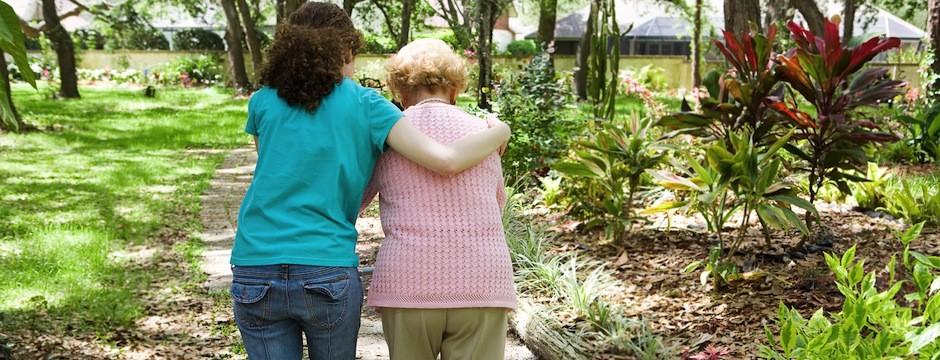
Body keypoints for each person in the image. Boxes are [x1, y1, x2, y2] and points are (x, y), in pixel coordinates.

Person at [228, 4, 510, 360]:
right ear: (345, 51)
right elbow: (446, 160)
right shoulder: (367, 105)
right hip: (325, 265)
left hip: (255, 263)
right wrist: (500, 129)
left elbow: (277, 173)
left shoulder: (262, 102)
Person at [360, 38, 517, 360]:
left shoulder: (388, 136)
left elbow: (356, 201)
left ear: (400, 91)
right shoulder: (486, 134)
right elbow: (497, 204)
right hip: (482, 282)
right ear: (455, 89)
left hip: (407, 284)